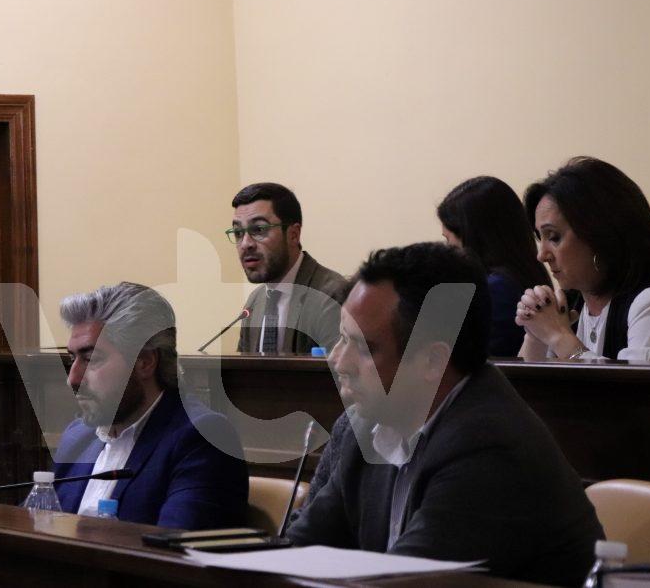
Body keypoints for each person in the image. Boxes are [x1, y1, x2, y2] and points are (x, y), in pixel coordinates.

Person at [287, 244, 603, 586]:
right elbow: (295, 552)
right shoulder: (362, 427)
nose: (338, 361)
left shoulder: (489, 447)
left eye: (363, 347)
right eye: (341, 339)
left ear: (433, 361)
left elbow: (404, 583)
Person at [52, 282, 248, 529]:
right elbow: (36, 529)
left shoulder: (203, 437)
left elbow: (174, 545)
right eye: (72, 359)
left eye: (91, 359)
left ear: (145, 362)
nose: (73, 378)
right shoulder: (78, 436)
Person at [518, 157, 650, 362]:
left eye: (554, 237)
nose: (541, 255)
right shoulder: (571, 304)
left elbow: (629, 384)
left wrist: (558, 336)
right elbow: (525, 381)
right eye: (540, 238)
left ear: (599, 235)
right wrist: (536, 333)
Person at [437, 176, 552, 356]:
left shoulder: (494, 290)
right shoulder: (524, 273)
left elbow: (464, 365)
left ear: (472, 238)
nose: (448, 252)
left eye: (449, 241)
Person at [229, 182, 347, 354]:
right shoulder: (255, 302)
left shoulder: (331, 295)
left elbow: (342, 370)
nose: (245, 244)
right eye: (238, 233)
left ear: (293, 234)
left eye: (259, 229)